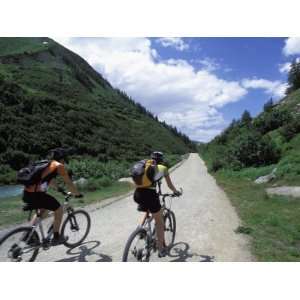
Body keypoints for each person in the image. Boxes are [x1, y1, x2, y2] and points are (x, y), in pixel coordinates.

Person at [22, 148, 83, 245]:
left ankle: (28, 235)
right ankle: (56, 237)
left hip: (27, 193)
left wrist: (60, 190)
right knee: (59, 209)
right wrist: (77, 194)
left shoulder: (47, 164)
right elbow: (68, 183)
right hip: (37, 194)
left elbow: (49, 181)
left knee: (43, 211)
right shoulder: (59, 166)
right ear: (62, 158)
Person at [133, 151, 181, 258]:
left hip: (137, 194)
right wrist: (176, 191)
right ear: (162, 159)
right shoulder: (163, 168)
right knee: (159, 222)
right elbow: (169, 185)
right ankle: (161, 249)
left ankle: (140, 230)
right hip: (150, 195)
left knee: (148, 210)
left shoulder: (145, 166)